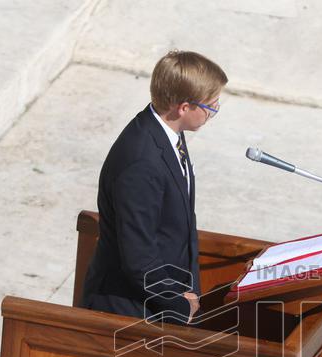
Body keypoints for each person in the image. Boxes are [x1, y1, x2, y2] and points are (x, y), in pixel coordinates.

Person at [82, 50, 227, 325]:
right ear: (184, 107)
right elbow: (138, 257)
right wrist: (179, 304)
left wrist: (191, 294)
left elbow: (181, 224)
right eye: (211, 106)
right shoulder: (140, 162)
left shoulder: (170, 132)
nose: (214, 112)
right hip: (130, 311)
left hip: (167, 299)